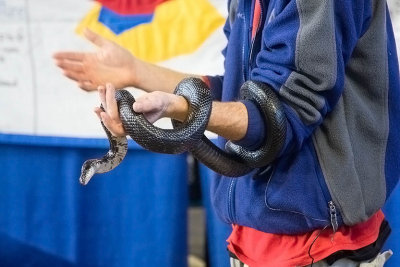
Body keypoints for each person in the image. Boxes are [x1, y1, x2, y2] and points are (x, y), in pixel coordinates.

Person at [54, 0, 400, 266]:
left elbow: (281, 115)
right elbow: (240, 95)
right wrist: (136, 71)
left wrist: (182, 109)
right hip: (253, 239)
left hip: (319, 245)